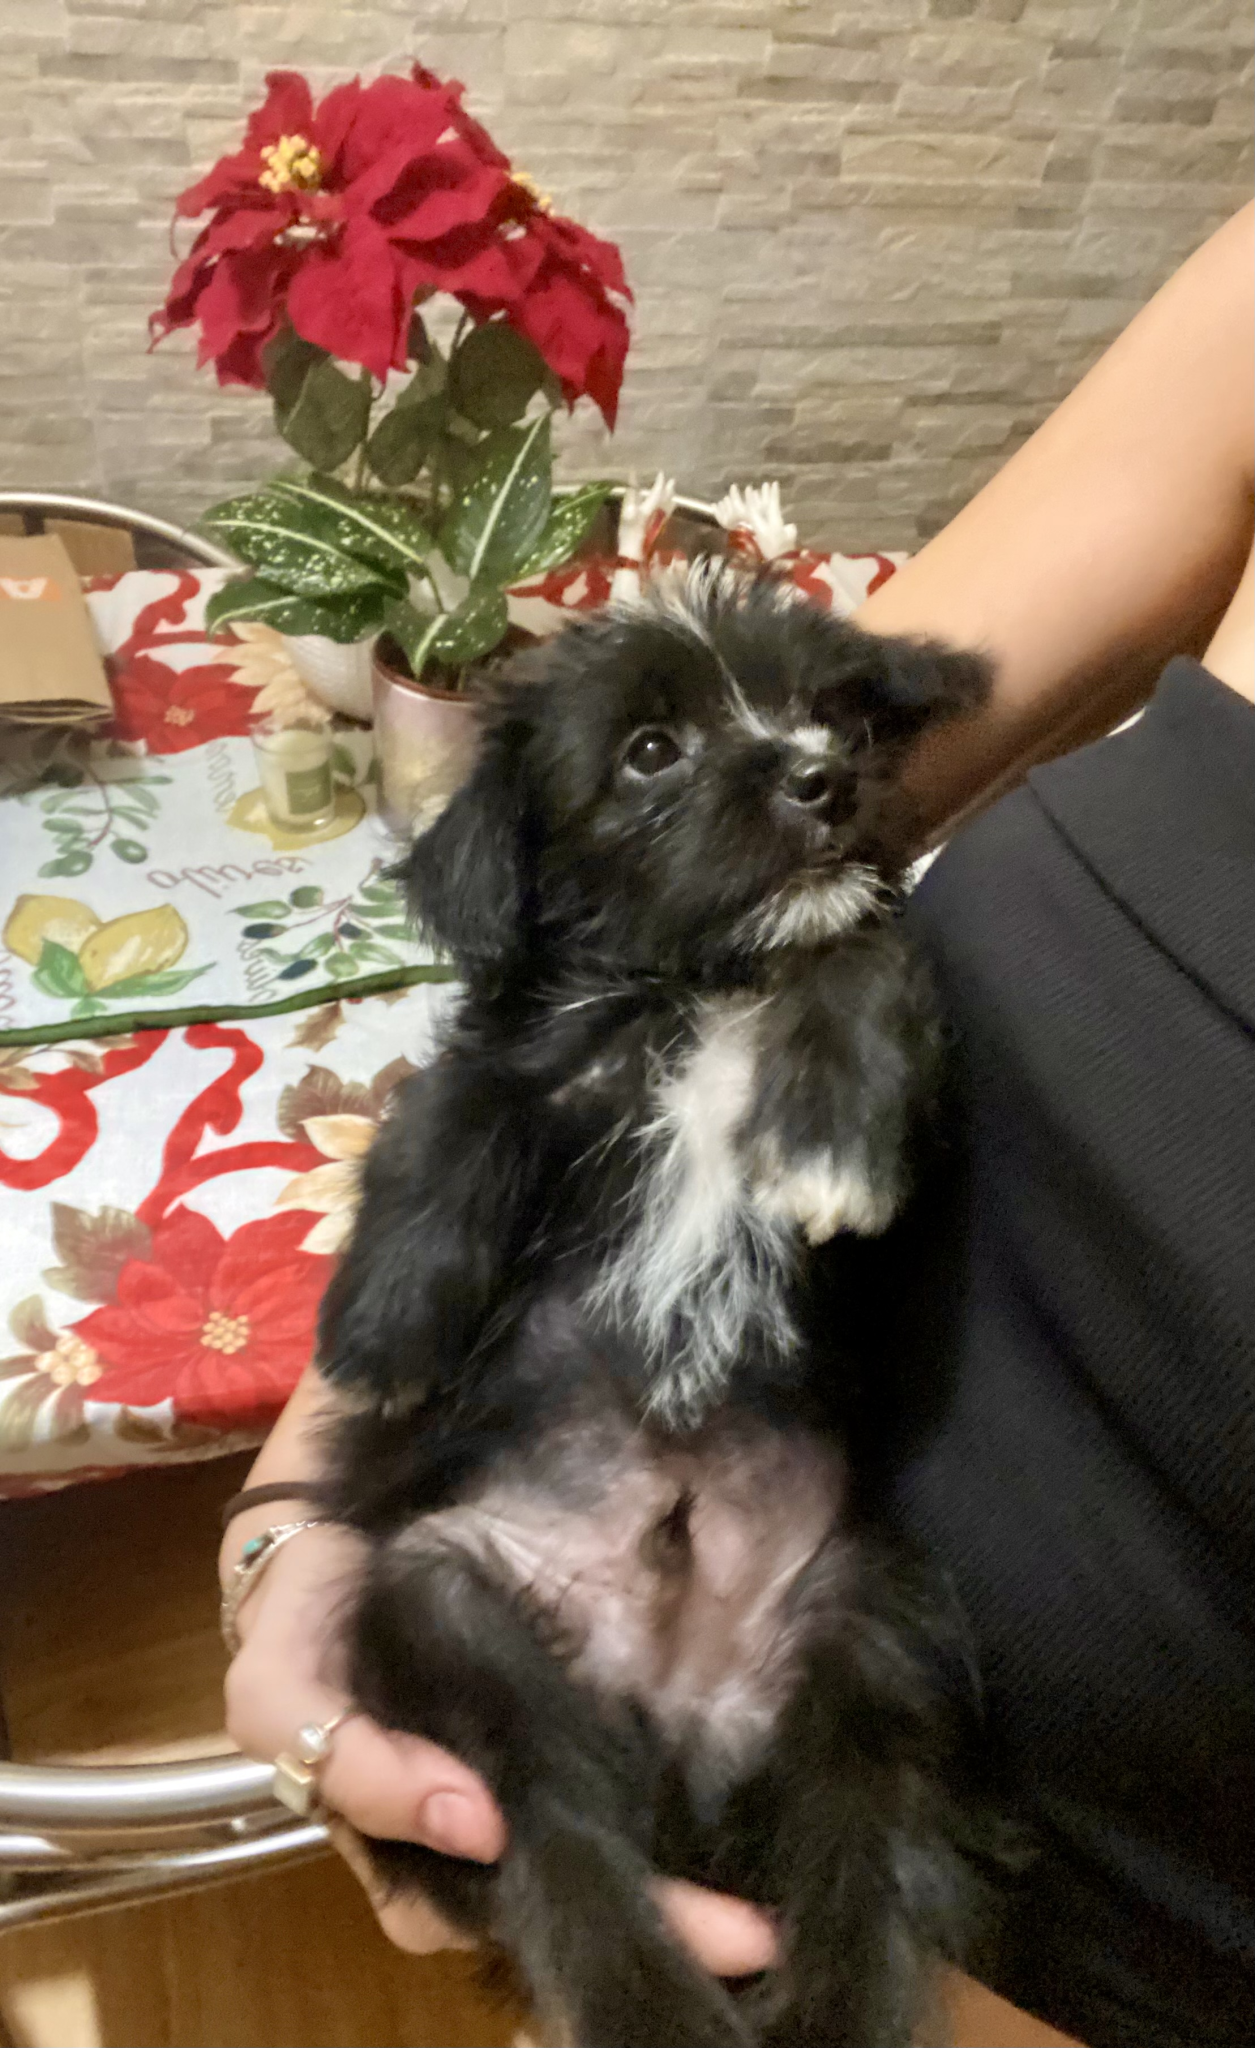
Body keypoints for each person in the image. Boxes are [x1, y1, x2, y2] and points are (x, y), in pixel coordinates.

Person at [221, 202, 1254, 2048]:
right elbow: (793, 759)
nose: (814, 766)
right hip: (596, 1664)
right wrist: (314, 1500)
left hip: (1028, 1921)